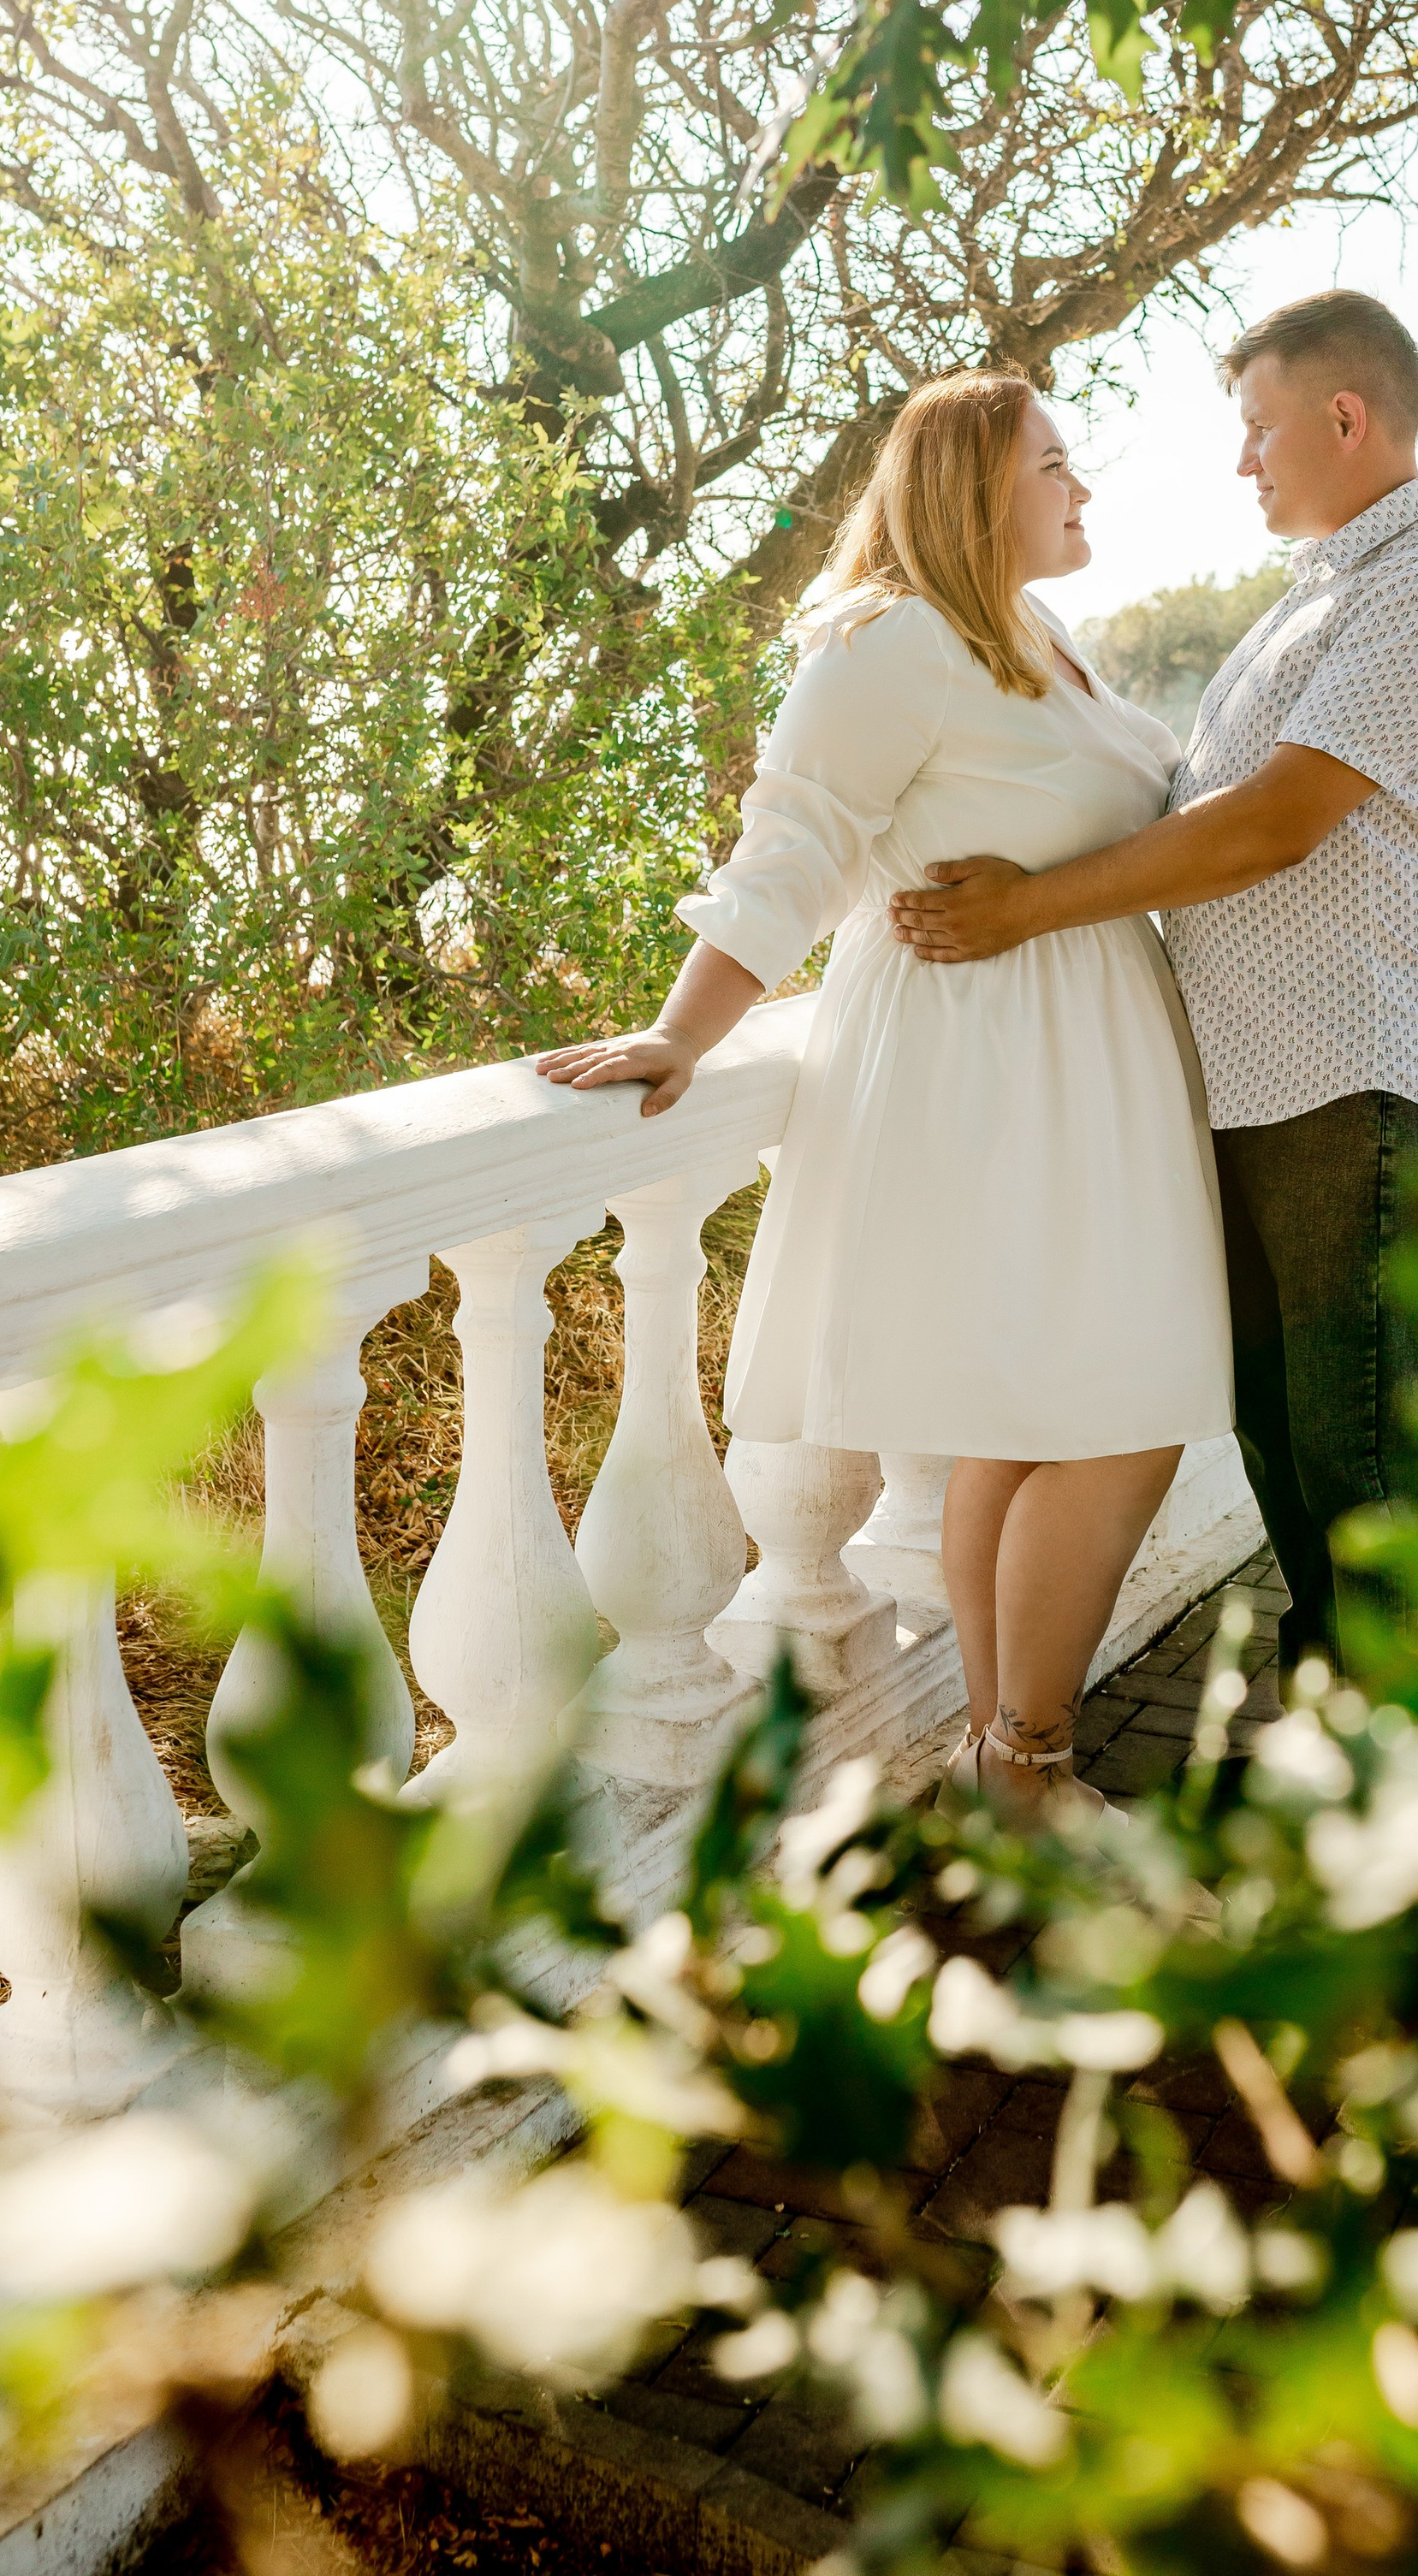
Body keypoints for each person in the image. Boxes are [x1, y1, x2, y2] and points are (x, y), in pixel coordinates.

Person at [537, 370, 1231, 1822]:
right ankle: (1029, 1761)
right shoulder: (890, 643)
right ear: (979, 488)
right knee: (1118, 1411)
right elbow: (793, 845)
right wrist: (685, 1032)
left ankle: (1004, 1761)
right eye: (1056, 464)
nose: (1082, 489)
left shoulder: (1036, 636)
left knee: (1039, 1417)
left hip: (1079, 1066)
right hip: (990, 1069)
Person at [890, 291, 1418, 1681]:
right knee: (1289, 1436)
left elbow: (1269, 823)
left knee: (1369, 1453)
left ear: (1345, 420)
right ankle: (1345, 1746)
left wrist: (1026, 909)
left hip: (1352, 1076)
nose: (1244, 462)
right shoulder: (1328, 590)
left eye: (1258, 429)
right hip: (1264, 1082)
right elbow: (1194, 799)